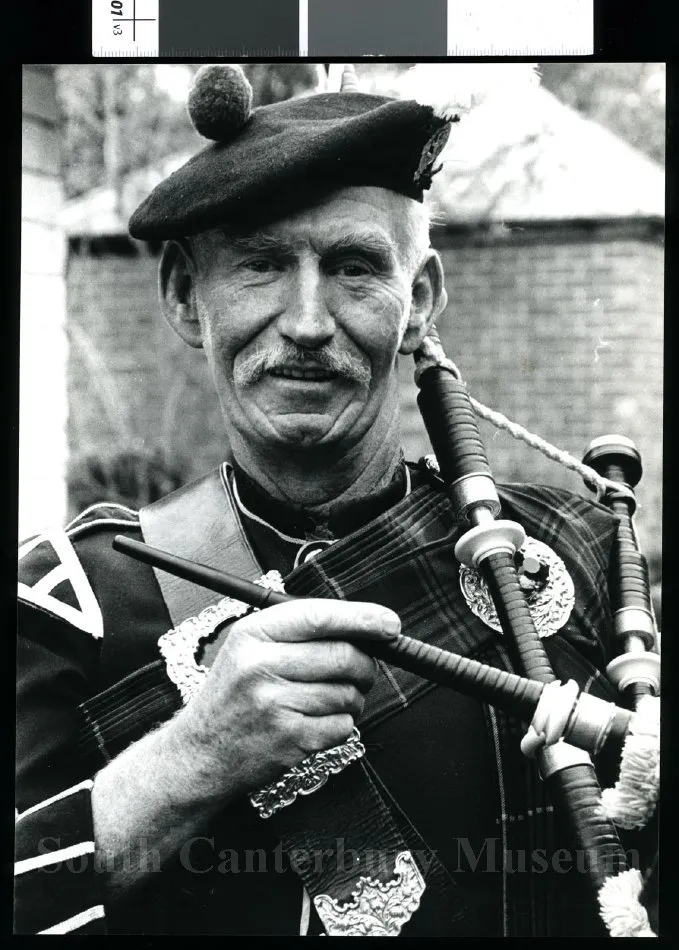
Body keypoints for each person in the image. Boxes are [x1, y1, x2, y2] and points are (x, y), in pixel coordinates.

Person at [15, 65, 655, 937]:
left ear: (418, 301)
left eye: (353, 267)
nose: (307, 321)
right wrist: (196, 755)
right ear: (181, 296)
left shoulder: (575, 554)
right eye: (261, 264)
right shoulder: (76, 605)